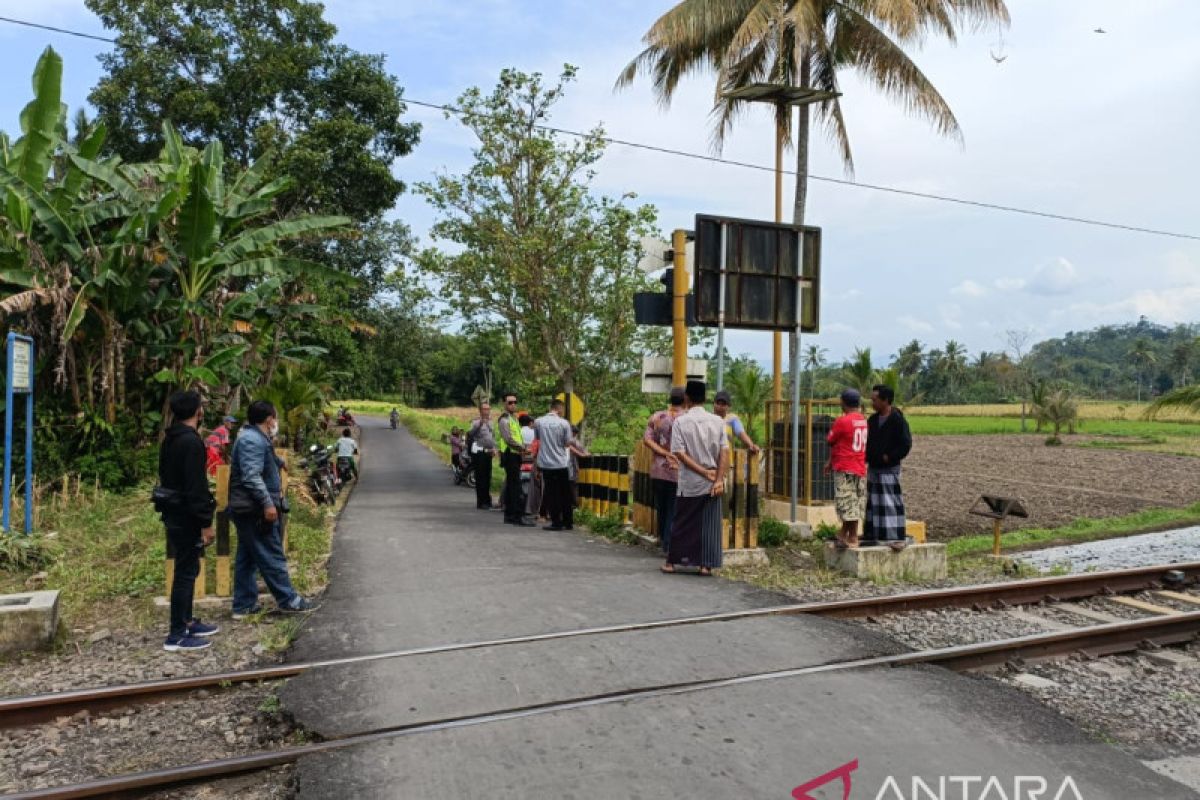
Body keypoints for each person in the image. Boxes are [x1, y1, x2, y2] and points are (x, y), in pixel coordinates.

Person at [229, 400, 318, 617]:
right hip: (255, 508)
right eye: (275, 417)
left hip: (247, 508)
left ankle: (243, 604)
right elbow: (251, 476)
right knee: (271, 553)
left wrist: (279, 463)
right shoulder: (252, 440)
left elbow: (262, 457)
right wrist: (267, 503)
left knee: (247, 557)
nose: (276, 421)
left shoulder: (255, 437)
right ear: (269, 418)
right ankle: (289, 600)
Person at [156, 390, 219, 652]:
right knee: (185, 572)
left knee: (189, 570)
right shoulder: (191, 443)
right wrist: (206, 522)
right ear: (198, 412)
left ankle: (188, 620)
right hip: (187, 515)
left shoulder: (170, 438)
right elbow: (196, 487)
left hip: (174, 511)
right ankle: (177, 633)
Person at [664, 381, 728, 576]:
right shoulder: (717, 421)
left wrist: (701, 471)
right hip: (712, 481)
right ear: (706, 398)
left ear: (687, 398)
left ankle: (672, 563)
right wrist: (718, 479)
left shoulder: (681, 422)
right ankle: (705, 565)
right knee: (709, 524)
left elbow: (680, 454)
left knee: (682, 521)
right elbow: (724, 452)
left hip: (689, 482)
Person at [863, 384, 913, 552]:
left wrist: (889, 456)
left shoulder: (898, 420)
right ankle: (875, 534)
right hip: (874, 468)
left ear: (885, 400)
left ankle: (894, 536)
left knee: (890, 502)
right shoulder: (872, 420)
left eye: (875, 399)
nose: (872, 402)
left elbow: (905, 444)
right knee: (874, 503)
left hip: (889, 469)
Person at [825, 389, 869, 550]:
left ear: (844, 402)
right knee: (855, 501)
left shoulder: (842, 421)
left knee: (845, 502)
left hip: (845, 466)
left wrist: (831, 461)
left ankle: (852, 536)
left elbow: (830, 440)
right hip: (859, 466)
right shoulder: (863, 420)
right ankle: (844, 533)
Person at [643, 387, 684, 555]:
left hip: (658, 469)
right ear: (684, 400)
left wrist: (662, 452)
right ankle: (668, 544)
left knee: (662, 507)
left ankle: (662, 539)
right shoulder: (686, 419)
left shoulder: (657, 416)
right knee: (674, 508)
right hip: (678, 470)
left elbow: (647, 439)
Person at [533, 398, 574, 531]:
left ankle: (556, 522)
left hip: (546, 463)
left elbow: (538, 439)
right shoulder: (564, 423)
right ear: (559, 409)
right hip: (561, 463)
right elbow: (568, 443)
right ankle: (568, 522)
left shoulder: (538, 422)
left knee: (551, 493)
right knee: (565, 493)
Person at [497, 393, 532, 527]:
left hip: (515, 455)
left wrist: (522, 449)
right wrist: (523, 448)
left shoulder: (514, 419)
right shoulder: (504, 420)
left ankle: (510, 515)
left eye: (514, 402)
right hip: (510, 455)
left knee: (512, 486)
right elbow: (509, 439)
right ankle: (517, 516)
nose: (513, 404)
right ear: (504, 404)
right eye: (510, 402)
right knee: (516, 486)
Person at [468, 402, 498, 510]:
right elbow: (470, 434)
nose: (487, 411)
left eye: (488, 409)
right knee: (480, 478)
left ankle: (487, 500)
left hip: (488, 452)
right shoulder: (475, 421)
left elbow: (492, 437)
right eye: (485, 409)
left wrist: (495, 448)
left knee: (487, 477)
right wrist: (479, 424)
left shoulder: (491, 422)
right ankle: (481, 502)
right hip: (479, 452)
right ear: (480, 411)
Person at [713, 390, 762, 455]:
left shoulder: (732, 419)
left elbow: (741, 433)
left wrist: (751, 445)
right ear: (713, 404)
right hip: (711, 460)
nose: (720, 406)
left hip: (728, 461)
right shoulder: (707, 419)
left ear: (728, 406)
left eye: (723, 404)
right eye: (718, 403)